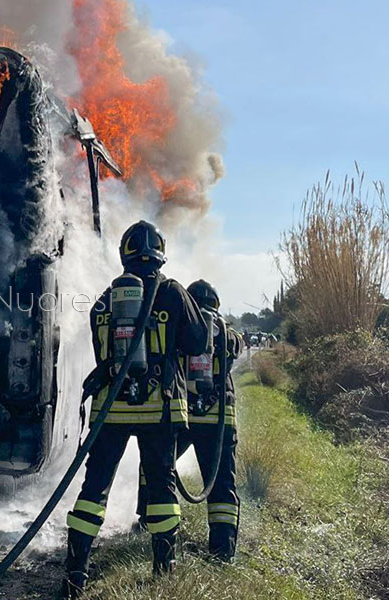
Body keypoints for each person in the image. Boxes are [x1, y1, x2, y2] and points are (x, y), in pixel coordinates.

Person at [63, 221, 209, 597]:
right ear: (161, 253)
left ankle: (74, 573)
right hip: (159, 410)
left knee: (94, 488)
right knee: (161, 487)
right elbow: (197, 343)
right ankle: (164, 570)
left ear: (124, 253)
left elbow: (101, 351)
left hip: (112, 411)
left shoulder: (107, 299)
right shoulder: (173, 292)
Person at [135, 279, 243, 561]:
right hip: (218, 421)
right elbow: (237, 346)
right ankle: (222, 552)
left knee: (156, 465)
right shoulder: (228, 336)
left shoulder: (186, 329)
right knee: (221, 485)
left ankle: (148, 522)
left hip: (182, 418)